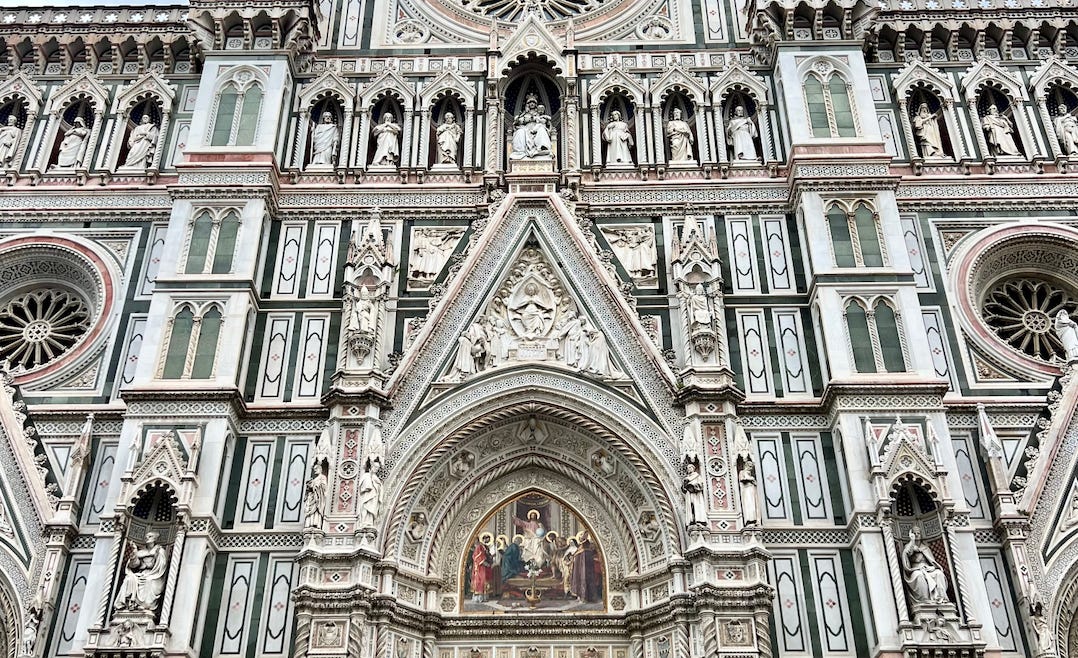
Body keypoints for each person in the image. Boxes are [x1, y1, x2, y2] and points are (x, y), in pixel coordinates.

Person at [115, 531, 168, 611]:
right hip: (141, 573)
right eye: (146, 536)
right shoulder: (141, 551)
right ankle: (130, 604)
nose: (147, 538)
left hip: (154, 574)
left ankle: (146, 605)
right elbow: (134, 565)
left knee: (148, 580)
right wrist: (134, 554)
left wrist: (155, 558)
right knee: (129, 578)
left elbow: (161, 565)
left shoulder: (159, 551)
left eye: (150, 536)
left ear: (155, 539)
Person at [901, 527, 950, 605]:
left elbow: (932, 561)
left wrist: (931, 567)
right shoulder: (909, 546)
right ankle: (924, 600)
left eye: (918, 533)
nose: (917, 535)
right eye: (914, 533)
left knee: (939, 573)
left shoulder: (925, 547)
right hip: (915, 569)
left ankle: (941, 597)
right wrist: (912, 541)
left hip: (928, 569)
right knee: (918, 576)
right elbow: (907, 554)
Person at [357, 457, 383, 528]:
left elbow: (379, 487)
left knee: (371, 509)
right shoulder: (366, 475)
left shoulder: (376, 478)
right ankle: (363, 522)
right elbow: (361, 486)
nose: (376, 469)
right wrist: (366, 487)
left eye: (378, 468)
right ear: (372, 466)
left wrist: (377, 485)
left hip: (374, 496)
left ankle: (369, 522)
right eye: (375, 467)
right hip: (367, 494)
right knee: (365, 506)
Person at [683, 460, 707, 526]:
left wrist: (693, 486)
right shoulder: (686, 478)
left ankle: (698, 520)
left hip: (696, 495)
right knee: (691, 506)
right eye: (688, 468)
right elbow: (683, 488)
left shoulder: (697, 476)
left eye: (690, 468)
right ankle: (691, 519)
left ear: (693, 469)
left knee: (696, 505)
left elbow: (700, 485)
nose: (689, 469)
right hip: (689, 494)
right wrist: (685, 486)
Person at [470, 534, 493, 602]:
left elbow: (485, 555)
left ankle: (483, 597)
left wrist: (488, 561)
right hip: (479, 567)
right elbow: (477, 557)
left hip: (482, 567)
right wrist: (484, 563)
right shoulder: (478, 547)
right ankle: (479, 598)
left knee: (483, 581)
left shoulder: (481, 546)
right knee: (479, 581)